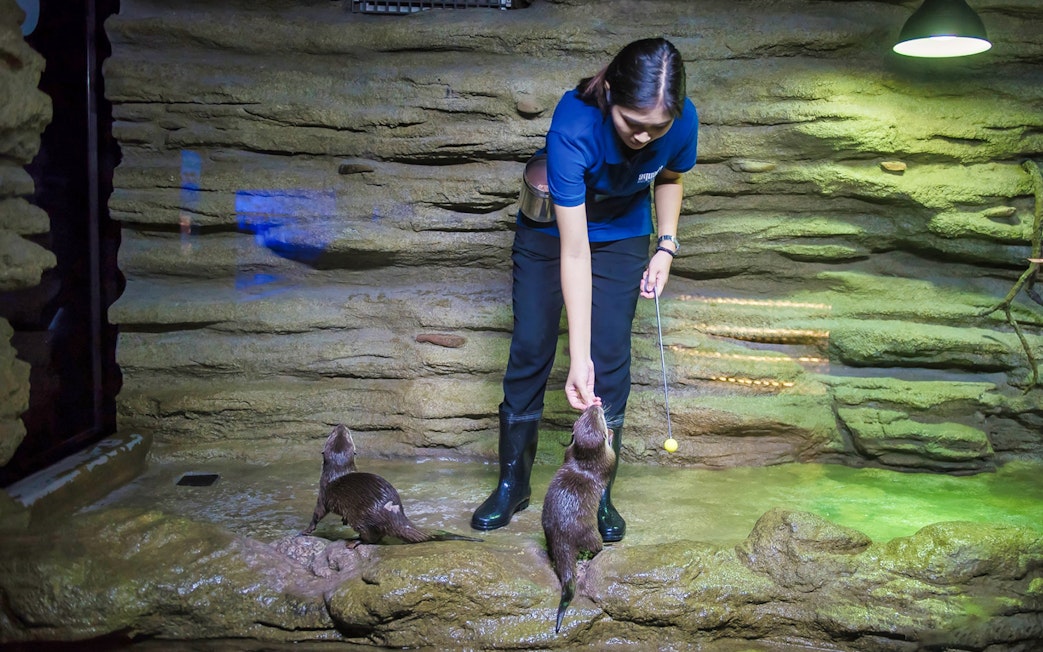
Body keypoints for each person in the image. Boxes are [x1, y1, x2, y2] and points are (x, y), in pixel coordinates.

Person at [471, 37, 698, 542]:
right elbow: (575, 252)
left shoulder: (681, 121)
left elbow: (671, 176)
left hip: (622, 231)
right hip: (555, 232)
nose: (643, 137)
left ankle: (598, 490)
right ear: (611, 92)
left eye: (656, 128)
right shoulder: (574, 124)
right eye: (631, 123)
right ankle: (513, 484)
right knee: (531, 344)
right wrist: (576, 356)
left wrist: (665, 246)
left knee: (611, 353)